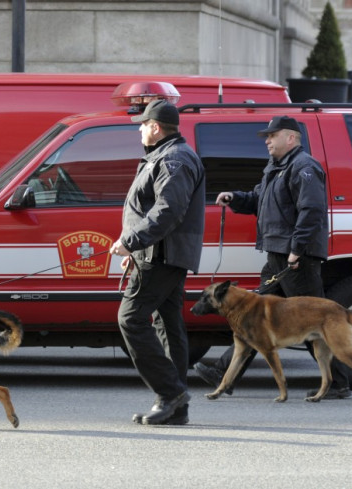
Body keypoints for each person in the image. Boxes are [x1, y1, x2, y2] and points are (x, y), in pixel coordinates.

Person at [195, 115, 352, 399]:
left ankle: (339, 383)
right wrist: (236, 198)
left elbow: (311, 210)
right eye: (266, 136)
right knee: (251, 316)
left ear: (290, 138)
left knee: (311, 320)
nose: (267, 140)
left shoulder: (304, 167)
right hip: (277, 255)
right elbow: (259, 199)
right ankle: (224, 374)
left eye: (272, 135)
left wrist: (297, 249)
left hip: (295, 258)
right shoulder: (276, 168)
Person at [110, 99, 205, 425]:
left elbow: (168, 210)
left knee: (131, 319)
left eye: (142, 124)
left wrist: (132, 242)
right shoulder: (164, 156)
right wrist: (135, 250)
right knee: (168, 326)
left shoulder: (174, 159)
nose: (138, 129)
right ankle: (176, 407)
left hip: (160, 255)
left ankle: (170, 393)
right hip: (156, 253)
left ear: (155, 127)